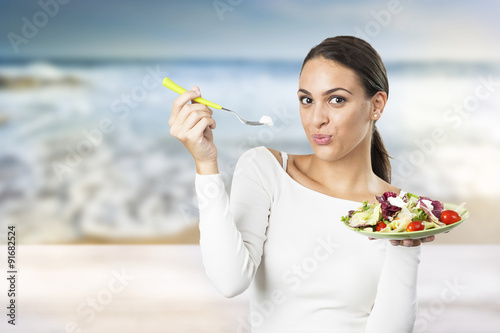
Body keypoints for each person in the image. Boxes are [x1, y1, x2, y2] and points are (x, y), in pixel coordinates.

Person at [169, 36, 434, 332]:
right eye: (307, 100)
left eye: (336, 100)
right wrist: (206, 166)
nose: (316, 119)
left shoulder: (399, 210)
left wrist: (407, 246)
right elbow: (229, 280)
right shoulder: (266, 169)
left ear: (377, 105)